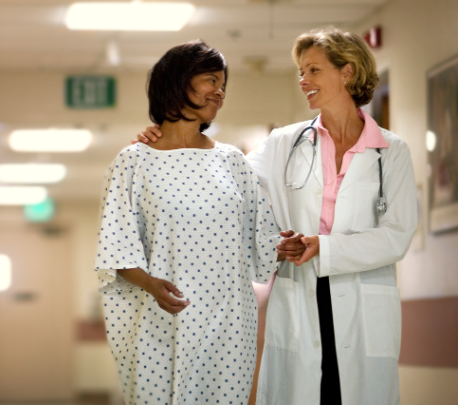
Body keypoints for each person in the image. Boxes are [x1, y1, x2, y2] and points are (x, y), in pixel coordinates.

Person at [138, 28, 418, 405]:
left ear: (347, 72)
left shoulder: (392, 151)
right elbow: (223, 177)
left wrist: (323, 246)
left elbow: (397, 235)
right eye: (301, 72)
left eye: (313, 70)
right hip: (299, 293)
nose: (303, 81)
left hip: (363, 303)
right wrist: (170, 144)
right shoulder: (285, 142)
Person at [95, 40, 304, 405]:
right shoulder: (133, 162)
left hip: (229, 322)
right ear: (177, 82)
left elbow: (260, 241)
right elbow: (117, 249)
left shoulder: (232, 161)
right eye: (210, 80)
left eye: (222, 83)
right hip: (161, 318)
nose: (219, 92)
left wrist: (288, 245)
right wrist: (152, 285)